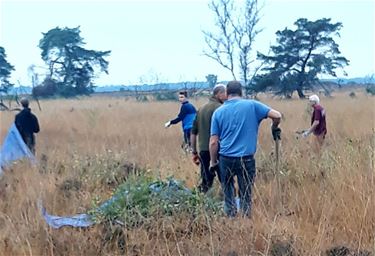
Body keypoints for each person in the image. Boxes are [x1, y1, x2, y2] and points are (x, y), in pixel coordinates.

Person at [209, 81, 282, 217]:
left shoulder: (218, 112)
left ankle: (231, 217)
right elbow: (277, 115)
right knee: (246, 193)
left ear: (227, 93)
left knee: (228, 191)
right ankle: (246, 220)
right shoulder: (252, 105)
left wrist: (213, 162)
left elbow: (213, 142)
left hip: (225, 158)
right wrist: (274, 127)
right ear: (241, 92)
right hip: (246, 159)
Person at [190, 84, 227, 193]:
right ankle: (229, 203)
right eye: (225, 93)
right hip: (219, 149)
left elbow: (193, 133)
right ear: (219, 94)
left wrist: (194, 151)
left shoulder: (201, 109)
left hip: (204, 149)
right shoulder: (222, 109)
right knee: (225, 179)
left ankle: (203, 203)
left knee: (206, 180)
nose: (227, 96)